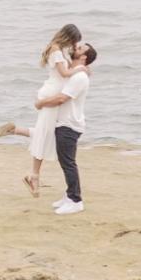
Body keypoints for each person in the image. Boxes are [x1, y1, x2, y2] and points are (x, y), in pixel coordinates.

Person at [0, 25, 90, 197]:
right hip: (52, 93)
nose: (74, 45)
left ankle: (14, 130)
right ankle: (34, 176)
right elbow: (64, 73)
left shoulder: (60, 50)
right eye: (74, 41)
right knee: (45, 134)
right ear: (68, 37)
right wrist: (80, 69)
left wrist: (81, 66)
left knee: (47, 132)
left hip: (54, 91)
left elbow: (67, 70)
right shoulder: (56, 50)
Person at [35, 42, 96, 215]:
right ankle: (69, 195)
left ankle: (75, 200)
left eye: (80, 48)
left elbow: (62, 98)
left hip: (69, 125)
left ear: (84, 57)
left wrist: (41, 103)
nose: (75, 48)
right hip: (64, 123)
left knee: (68, 163)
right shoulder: (75, 72)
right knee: (65, 162)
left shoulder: (79, 77)